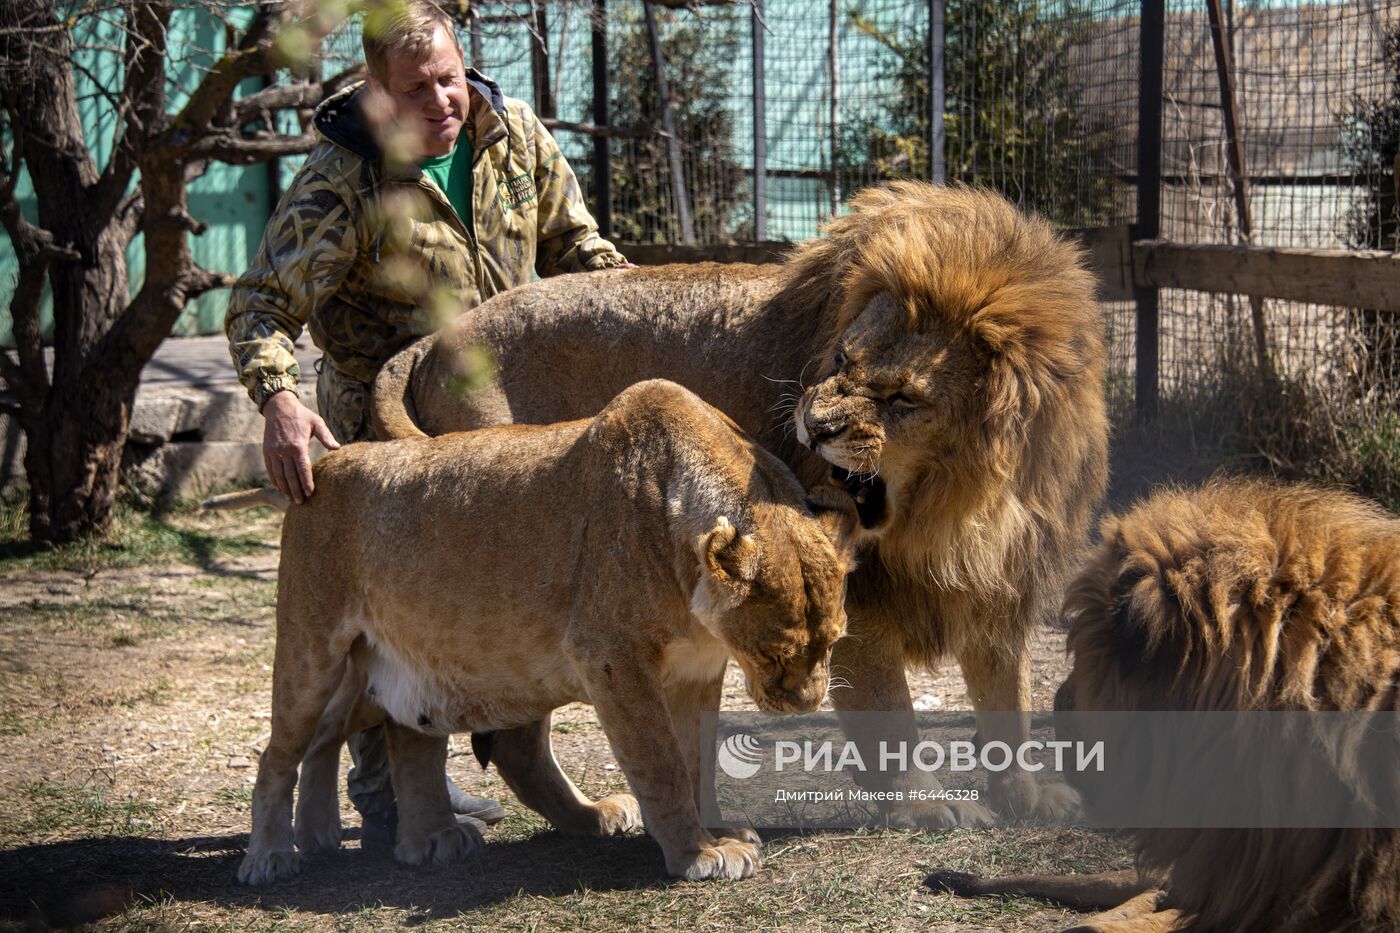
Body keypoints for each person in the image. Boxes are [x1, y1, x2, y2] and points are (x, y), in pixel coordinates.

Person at [225, 0, 629, 850]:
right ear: (376, 93)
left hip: (500, 428)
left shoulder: (511, 134)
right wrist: (278, 400)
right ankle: (388, 801)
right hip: (382, 427)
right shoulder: (344, 179)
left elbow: (583, 258)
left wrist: (638, 326)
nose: (443, 101)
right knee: (390, 620)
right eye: (416, 89)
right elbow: (260, 302)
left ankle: (508, 768)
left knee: (502, 602)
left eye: (450, 78)